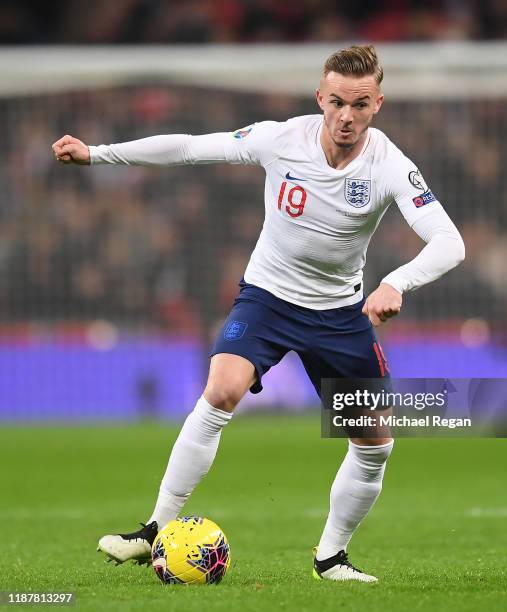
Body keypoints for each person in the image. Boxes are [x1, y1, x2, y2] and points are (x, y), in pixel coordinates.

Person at [52, 45, 465, 583]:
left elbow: (448, 242)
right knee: (221, 390)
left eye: (359, 105)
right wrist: (99, 154)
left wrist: (396, 281)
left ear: (378, 104)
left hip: (340, 315)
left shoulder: (391, 165)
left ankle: (330, 559)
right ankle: (154, 528)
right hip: (267, 299)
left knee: (374, 446)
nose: (346, 116)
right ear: (320, 96)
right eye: (336, 102)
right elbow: (189, 148)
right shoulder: (281, 139)